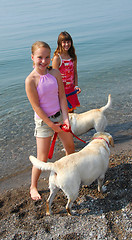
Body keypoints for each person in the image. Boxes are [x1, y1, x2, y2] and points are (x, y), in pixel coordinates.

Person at [25, 41, 75, 201]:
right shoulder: (30, 80)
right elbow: (37, 107)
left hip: (60, 116)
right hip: (43, 122)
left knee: (70, 149)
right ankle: (33, 186)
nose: (44, 61)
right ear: (32, 57)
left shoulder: (55, 73)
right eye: (40, 57)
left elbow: (61, 96)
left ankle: (69, 176)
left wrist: (65, 118)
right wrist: (51, 125)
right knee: (42, 159)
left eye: (47, 57)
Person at [52, 31, 81, 113]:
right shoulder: (57, 58)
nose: (66, 44)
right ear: (59, 43)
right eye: (64, 42)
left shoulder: (72, 56)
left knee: (71, 113)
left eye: (68, 42)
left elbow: (75, 72)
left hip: (71, 89)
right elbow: (54, 77)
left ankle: (70, 126)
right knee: (62, 113)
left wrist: (76, 86)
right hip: (61, 91)